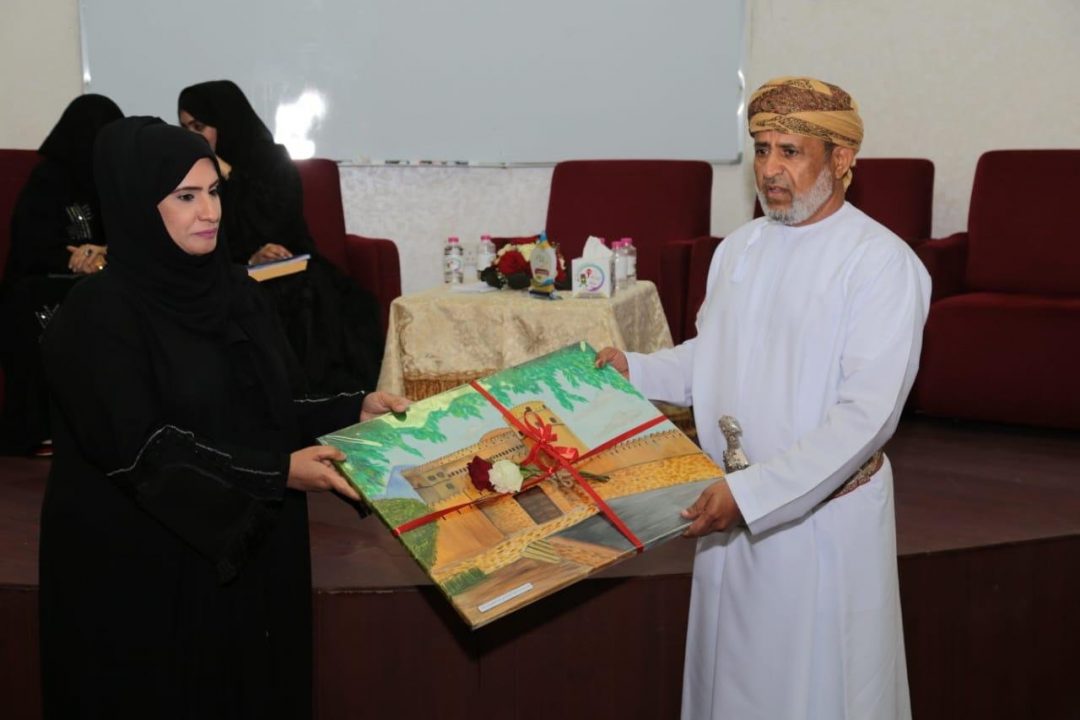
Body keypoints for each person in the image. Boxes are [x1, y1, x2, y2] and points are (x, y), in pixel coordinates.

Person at [39, 116, 408, 718]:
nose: (209, 212)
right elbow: (144, 453)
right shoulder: (96, 316)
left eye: (213, 192)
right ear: (137, 204)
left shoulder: (237, 293)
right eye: (185, 197)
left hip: (244, 559)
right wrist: (278, 473)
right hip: (142, 576)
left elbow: (275, 407)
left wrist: (354, 408)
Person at [596, 76, 929, 719]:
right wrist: (633, 371)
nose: (770, 169)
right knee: (731, 683)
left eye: (790, 152)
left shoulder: (881, 263)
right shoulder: (739, 249)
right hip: (730, 506)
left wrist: (752, 496)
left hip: (821, 520)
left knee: (817, 689)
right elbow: (713, 356)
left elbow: (867, 416)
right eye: (762, 149)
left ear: (841, 159)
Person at [177, 79, 384, 394]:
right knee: (257, 299)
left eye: (199, 127)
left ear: (226, 122)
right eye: (184, 128)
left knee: (315, 298)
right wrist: (249, 258)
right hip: (232, 269)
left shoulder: (273, 159)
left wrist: (229, 173)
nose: (191, 137)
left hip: (293, 263)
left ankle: (323, 400)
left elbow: (279, 218)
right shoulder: (193, 176)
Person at [0, 94, 123, 455]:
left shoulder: (121, 177)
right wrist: (77, 260)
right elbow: (31, 245)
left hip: (111, 276)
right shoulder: (48, 179)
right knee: (37, 304)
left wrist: (105, 254)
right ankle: (43, 428)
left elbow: (139, 232)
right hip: (45, 279)